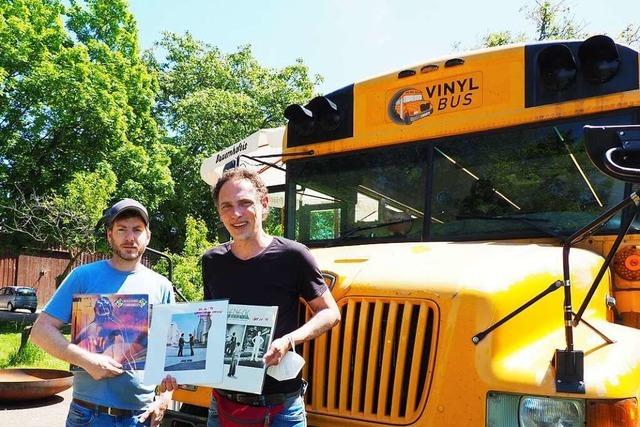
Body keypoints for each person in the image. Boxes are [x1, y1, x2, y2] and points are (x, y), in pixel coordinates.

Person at [163, 169, 341, 427]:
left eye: (245, 203)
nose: (236, 214)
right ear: (219, 212)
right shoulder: (212, 261)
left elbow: (330, 312)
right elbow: (210, 323)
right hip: (223, 406)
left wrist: (289, 340)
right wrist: (177, 367)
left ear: (264, 203)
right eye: (227, 206)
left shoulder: (293, 255)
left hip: (281, 409)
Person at [31, 198, 175, 427]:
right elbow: (40, 332)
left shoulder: (162, 286)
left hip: (141, 417)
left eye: (137, 230)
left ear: (147, 236)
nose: (130, 238)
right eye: (121, 230)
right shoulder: (82, 277)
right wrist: (87, 360)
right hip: (88, 415)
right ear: (110, 235)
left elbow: (170, 353)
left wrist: (165, 398)